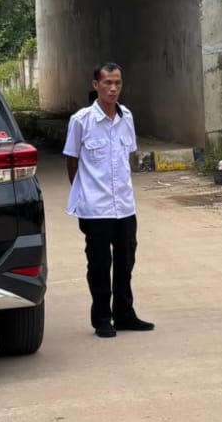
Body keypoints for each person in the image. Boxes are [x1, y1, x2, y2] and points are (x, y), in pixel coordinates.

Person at [63, 63, 154, 338]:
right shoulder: (81, 121)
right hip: (96, 208)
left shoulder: (127, 117)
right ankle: (102, 318)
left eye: (117, 83)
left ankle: (125, 314)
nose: (113, 88)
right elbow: (72, 159)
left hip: (124, 206)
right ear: (95, 85)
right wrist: (84, 193)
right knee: (100, 264)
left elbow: (127, 157)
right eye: (107, 83)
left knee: (126, 261)